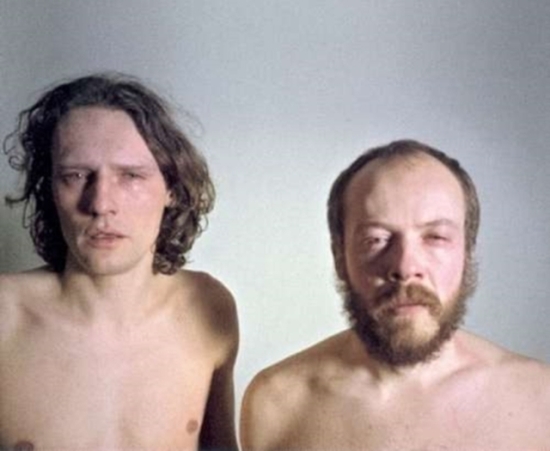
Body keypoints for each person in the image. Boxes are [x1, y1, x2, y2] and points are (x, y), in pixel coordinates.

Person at [240, 139, 550, 451]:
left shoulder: (539, 399)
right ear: (339, 256)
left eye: (436, 237)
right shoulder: (276, 404)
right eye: (376, 239)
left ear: (466, 253)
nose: (405, 267)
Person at [0, 73, 239, 451]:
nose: (100, 204)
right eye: (76, 175)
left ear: (172, 188)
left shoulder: (209, 306)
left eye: (130, 176)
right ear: (49, 189)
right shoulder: (6, 316)